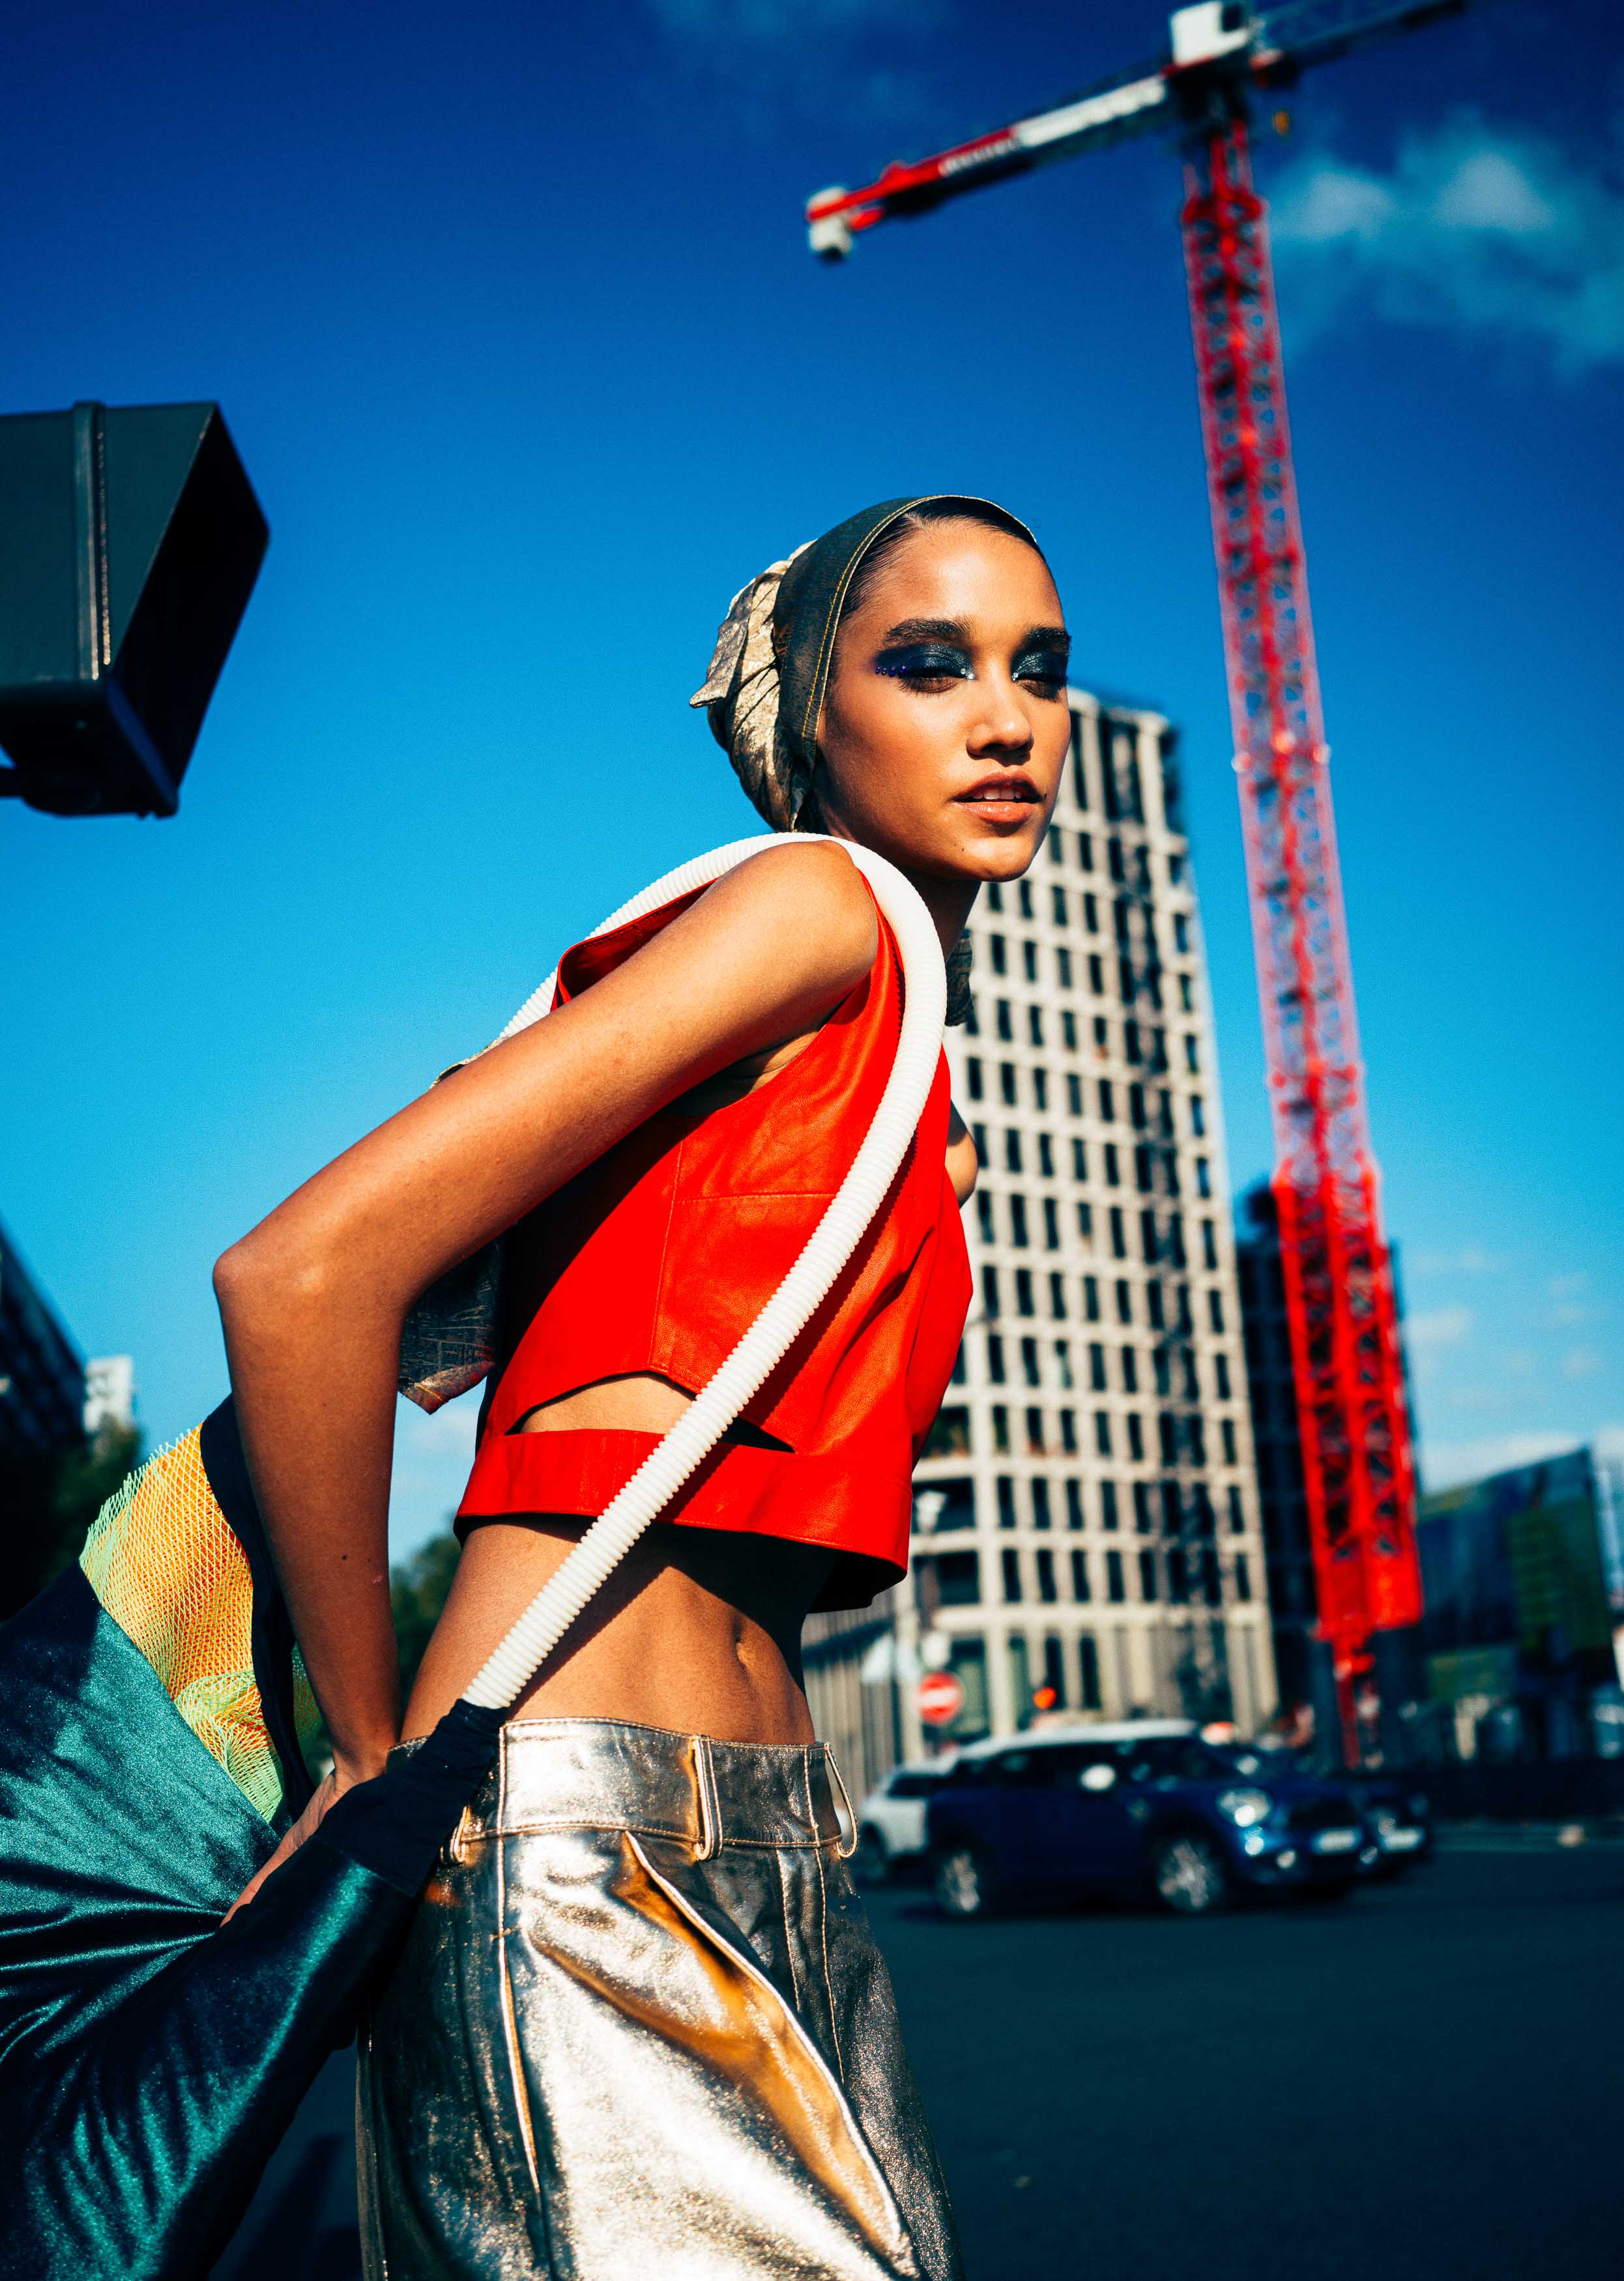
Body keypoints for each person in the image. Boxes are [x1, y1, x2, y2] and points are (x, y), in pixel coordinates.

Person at [212, 494, 1073, 2280]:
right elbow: (300, 1276)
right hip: (565, 1845)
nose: (1007, 720)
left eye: (1038, 670)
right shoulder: (816, 906)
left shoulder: (909, 1079)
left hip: (776, 1848)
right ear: (812, 716)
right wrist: (365, 1768)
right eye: (931, 666)